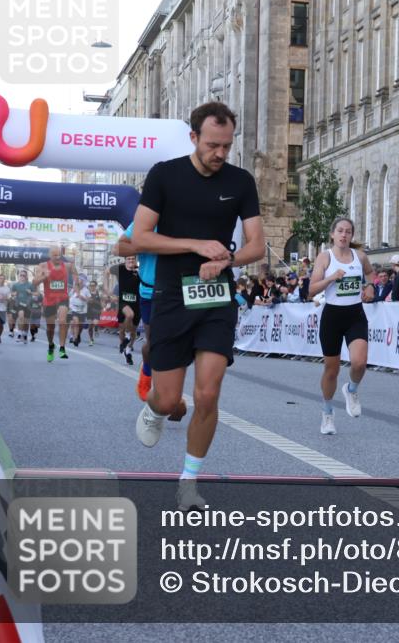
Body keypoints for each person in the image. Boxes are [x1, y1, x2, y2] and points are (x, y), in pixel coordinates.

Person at [131, 101, 266, 512]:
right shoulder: (164, 175)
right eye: (212, 145)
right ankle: (156, 409)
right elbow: (140, 236)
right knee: (170, 400)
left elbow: (257, 246)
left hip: (216, 298)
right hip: (173, 295)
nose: (221, 154)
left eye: (227, 146)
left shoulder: (241, 182)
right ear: (194, 138)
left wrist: (225, 259)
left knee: (208, 394)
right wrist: (193, 245)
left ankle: (188, 481)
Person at [307, 217, 375, 435]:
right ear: (332, 234)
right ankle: (327, 413)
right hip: (332, 317)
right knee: (331, 370)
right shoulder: (324, 258)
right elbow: (311, 290)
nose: (344, 235)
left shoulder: (360, 256)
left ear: (351, 236)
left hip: (355, 314)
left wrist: (371, 287)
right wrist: (332, 278)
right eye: (340, 231)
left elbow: (370, 273)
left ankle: (351, 390)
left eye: (348, 232)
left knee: (359, 363)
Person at [116, 217, 159, 399]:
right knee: (153, 344)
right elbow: (118, 247)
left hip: (180, 291)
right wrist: (151, 245)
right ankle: (147, 371)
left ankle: (168, 390)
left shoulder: (187, 215)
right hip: (150, 292)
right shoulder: (146, 220)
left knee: (176, 343)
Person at [32, 246, 78, 361]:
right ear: (50, 256)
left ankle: (62, 348)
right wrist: (44, 276)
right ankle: (51, 345)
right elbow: (34, 283)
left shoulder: (67, 266)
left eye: (59, 255)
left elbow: (76, 275)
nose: (58, 257)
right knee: (50, 328)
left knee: (62, 321)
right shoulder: (42, 266)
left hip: (63, 298)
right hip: (49, 299)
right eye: (55, 255)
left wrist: (77, 284)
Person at [116, 257, 141, 365]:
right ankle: (125, 338)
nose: (131, 260)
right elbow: (107, 271)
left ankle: (128, 350)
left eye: (133, 259)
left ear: (136, 260)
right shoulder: (120, 268)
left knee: (134, 331)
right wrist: (107, 290)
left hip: (136, 302)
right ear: (125, 260)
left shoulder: (140, 270)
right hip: (123, 301)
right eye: (129, 259)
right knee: (128, 318)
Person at [10, 271, 33, 344]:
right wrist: (14, 294)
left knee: (26, 322)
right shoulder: (15, 285)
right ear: (19, 276)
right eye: (21, 275)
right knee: (21, 316)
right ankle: (19, 334)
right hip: (19, 304)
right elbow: (12, 293)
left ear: (26, 276)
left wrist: (31, 292)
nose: (22, 277)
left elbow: (37, 293)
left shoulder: (30, 285)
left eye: (24, 275)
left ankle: (25, 335)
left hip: (28, 305)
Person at [67, 276, 91, 346]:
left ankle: (77, 335)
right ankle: (75, 338)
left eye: (80, 283)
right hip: (74, 309)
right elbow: (69, 297)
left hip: (83, 310)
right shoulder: (73, 290)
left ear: (83, 283)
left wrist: (82, 297)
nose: (79, 285)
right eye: (78, 283)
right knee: (75, 323)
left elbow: (89, 300)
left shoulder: (86, 290)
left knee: (80, 326)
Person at [86, 280, 103, 345]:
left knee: (95, 323)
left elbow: (102, 302)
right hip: (89, 311)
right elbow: (86, 300)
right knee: (90, 326)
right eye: (91, 285)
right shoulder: (87, 292)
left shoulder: (99, 293)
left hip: (96, 310)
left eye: (93, 285)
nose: (92, 287)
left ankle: (96, 329)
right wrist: (88, 301)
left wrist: (102, 307)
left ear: (96, 286)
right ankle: (91, 339)